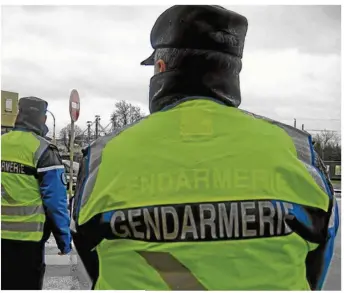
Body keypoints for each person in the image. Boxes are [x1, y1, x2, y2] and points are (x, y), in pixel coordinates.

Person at [71, 5, 339, 290]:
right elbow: (319, 258)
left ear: (161, 69)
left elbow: (89, 250)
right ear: (232, 73)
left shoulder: (104, 155)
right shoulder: (298, 152)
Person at [1, 97, 72, 290]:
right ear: (42, 119)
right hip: (27, 242)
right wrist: (63, 240)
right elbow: (55, 202)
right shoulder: (43, 150)